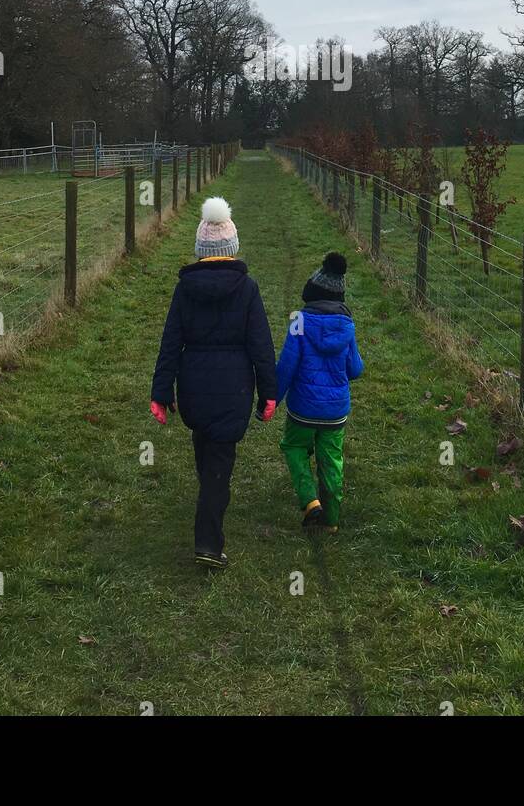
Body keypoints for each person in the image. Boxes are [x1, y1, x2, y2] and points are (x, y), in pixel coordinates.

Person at [150, 196, 277, 569]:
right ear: (232, 247)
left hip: (193, 385)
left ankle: (209, 494)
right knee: (219, 463)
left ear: (200, 249)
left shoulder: (184, 289)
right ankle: (207, 542)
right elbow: (261, 345)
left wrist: (161, 391)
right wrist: (268, 393)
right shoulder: (248, 289)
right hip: (234, 389)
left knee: (206, 446)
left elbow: (170, 342)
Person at [275, 252, 364, 532]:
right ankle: (331, 520)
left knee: (294, 447)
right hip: (335, 412)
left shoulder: (299, 321)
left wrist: (271, 398)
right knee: (332, 460)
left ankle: (310, 501)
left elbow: (286, 366)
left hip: (302, 409)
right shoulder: (347, 326)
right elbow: (355, 369)